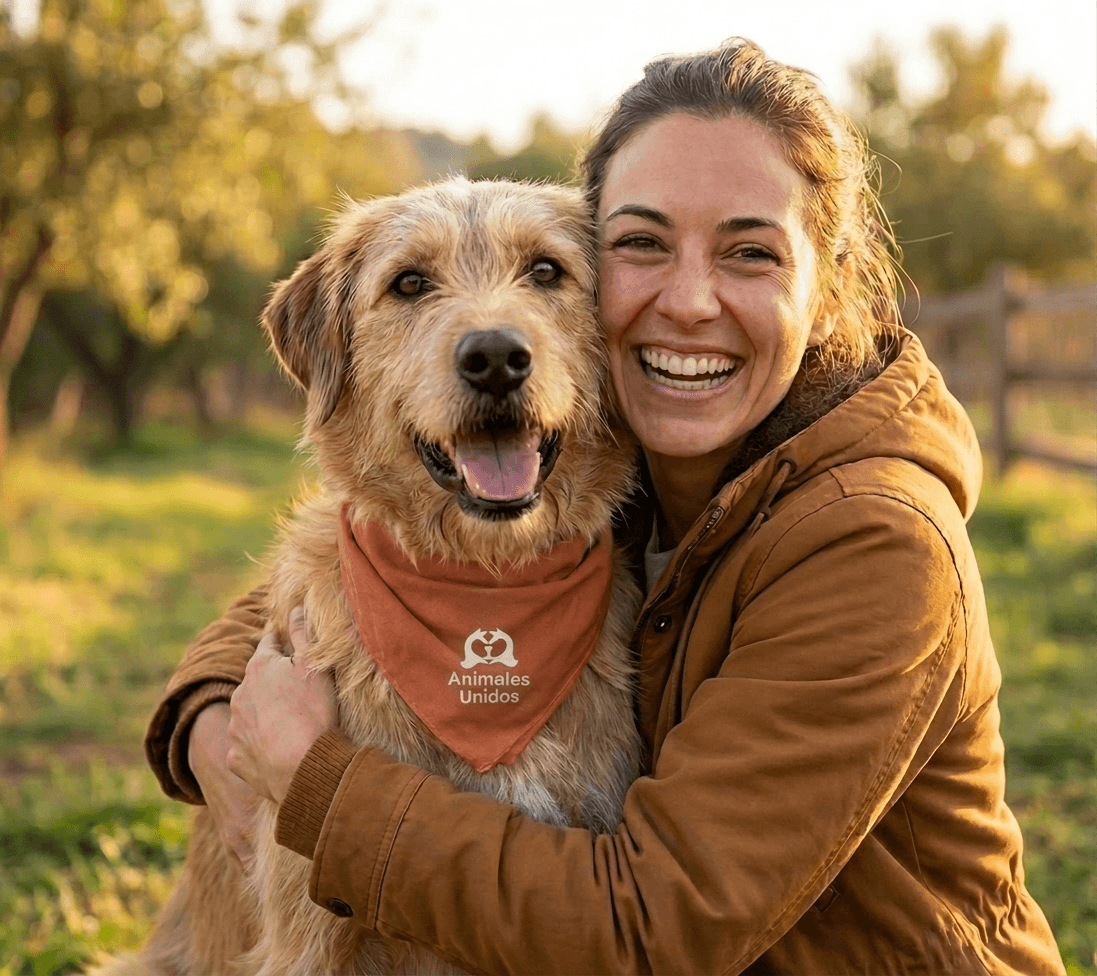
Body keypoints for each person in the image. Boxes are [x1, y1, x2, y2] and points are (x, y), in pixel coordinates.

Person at [146, 39, 1065, 975]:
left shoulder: (874, 543)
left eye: (750, 251)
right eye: (643, 245)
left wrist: (315, 785)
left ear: (824, 282)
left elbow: (653, 929)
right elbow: (314, 576)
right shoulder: (612, 474)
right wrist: (213, 709)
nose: (690, 300)